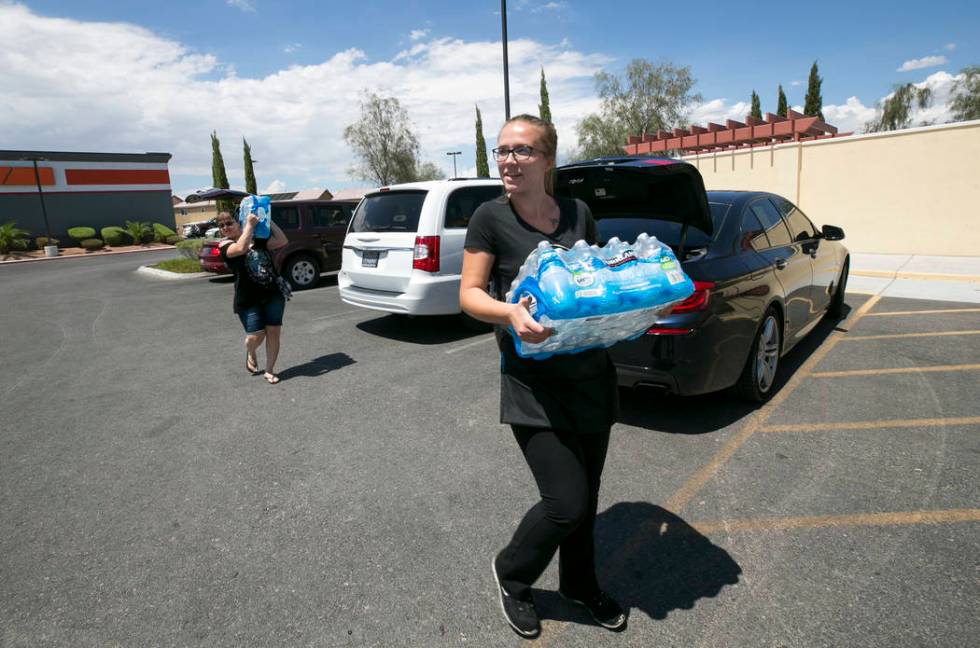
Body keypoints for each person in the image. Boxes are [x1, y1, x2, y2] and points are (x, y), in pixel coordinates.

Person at [459, 114, 627, 638]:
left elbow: (594, 278)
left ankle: (580, 583)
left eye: (522, 150)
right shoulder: (489, 217)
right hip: (534, 382)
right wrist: (508, 314)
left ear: (548, 158)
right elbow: (468, 294)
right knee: (565, 502)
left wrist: (629, 305)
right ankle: (513, 574)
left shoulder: (579, 213)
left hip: (590, 373)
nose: (509, 160)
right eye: (503, 151)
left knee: (589, 496)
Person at [217, 209, 289, 384]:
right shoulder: (225, 245)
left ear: (238, 222)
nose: (226, 227)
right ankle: (251, 351)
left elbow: (282, 240)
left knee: (273, 332)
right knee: (255, 336)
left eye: (229, 223)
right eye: (222, 225)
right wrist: (249, 225)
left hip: (272, 293)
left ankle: (270, 370)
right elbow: (241, 248)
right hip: (248, 298)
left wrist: (267, 219)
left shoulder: (258, 239)